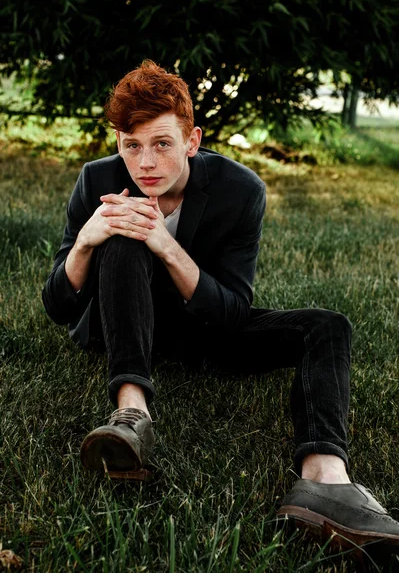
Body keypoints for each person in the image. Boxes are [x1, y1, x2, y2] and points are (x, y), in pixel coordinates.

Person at [42, 60, 399, 551]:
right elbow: (59, 308)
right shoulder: (97, 181)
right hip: (121, 320)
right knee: (123, 238)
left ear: (192, 141)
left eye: (162, 144)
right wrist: (84, 243)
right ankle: (131, 415)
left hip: (204, 325)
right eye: (131, 145)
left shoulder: (241, 190)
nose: (145, 163)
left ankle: (325, 481)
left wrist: (166, 247)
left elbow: (233, 312)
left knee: (328, 326)